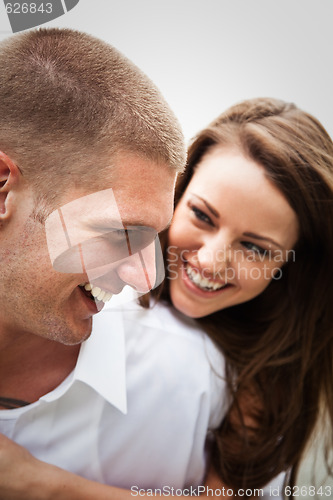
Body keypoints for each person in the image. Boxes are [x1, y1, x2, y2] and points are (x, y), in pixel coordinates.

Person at [0, 97, 332, 499]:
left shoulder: (262, 380)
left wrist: (37, 483)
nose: (210, 261)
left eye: (255, 248)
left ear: (290, 266)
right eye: (202, 216)